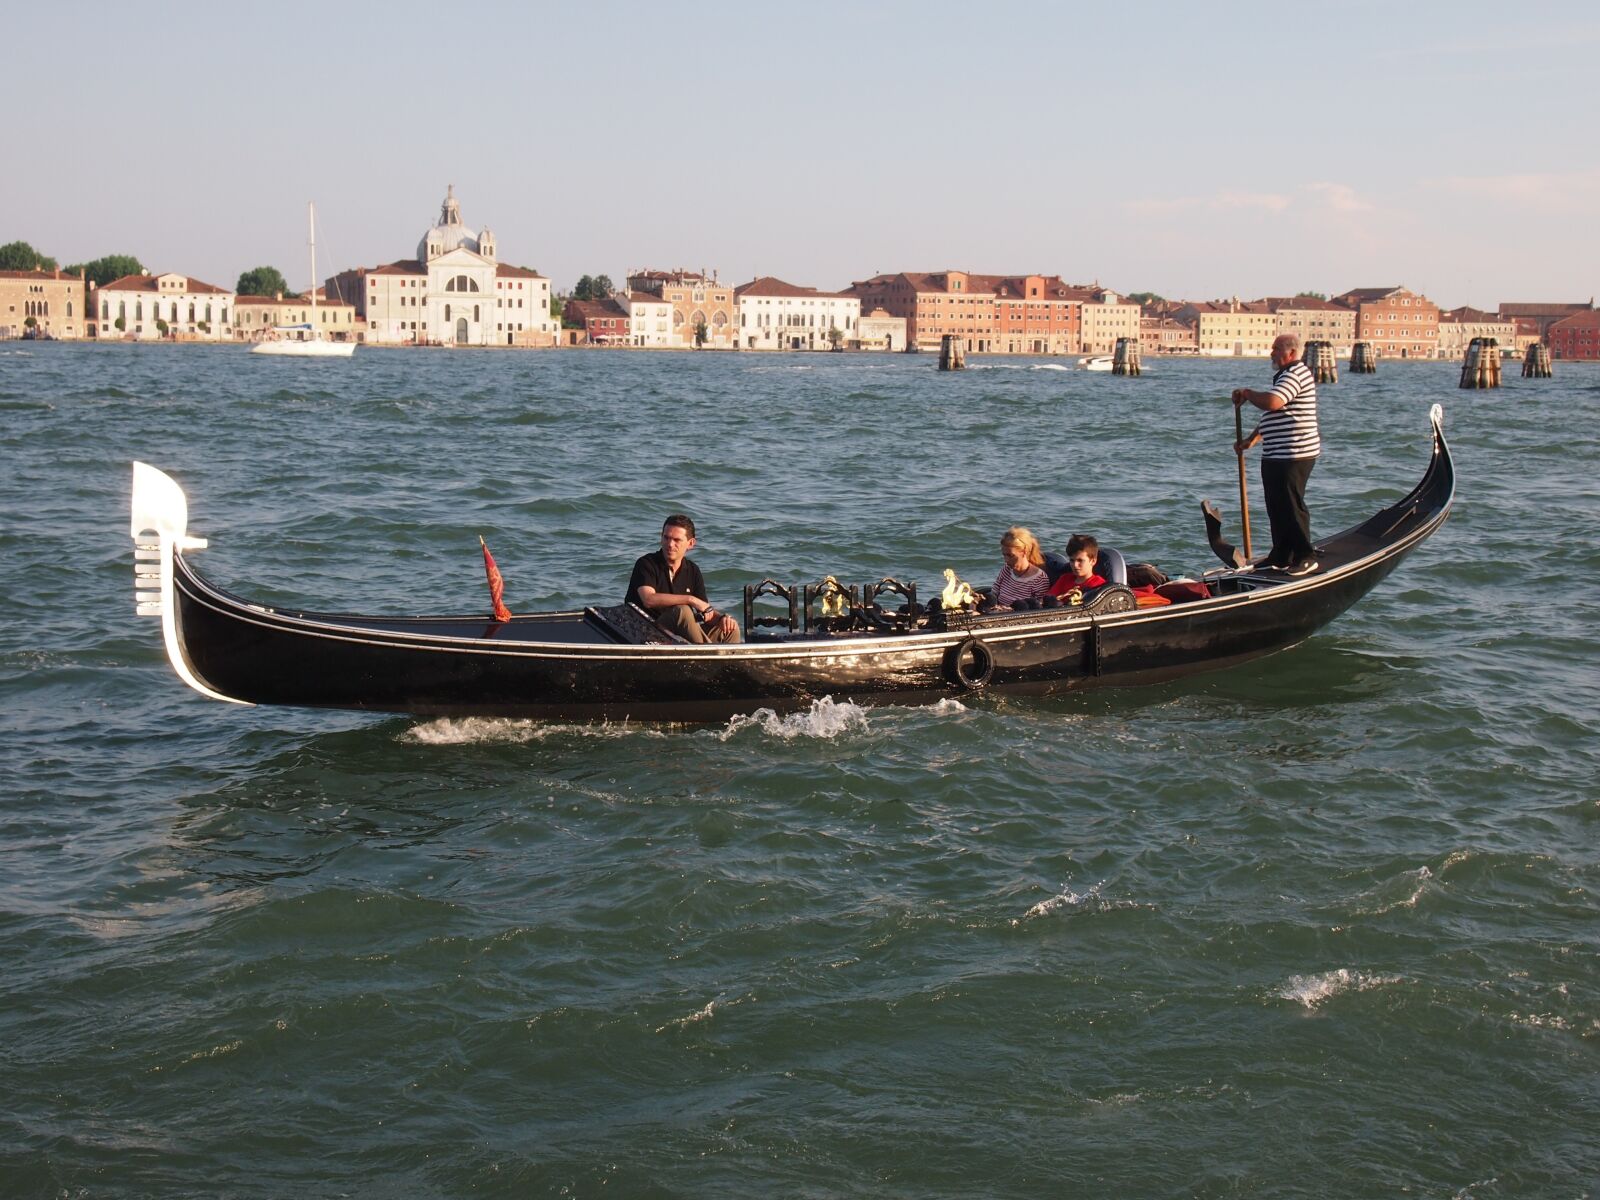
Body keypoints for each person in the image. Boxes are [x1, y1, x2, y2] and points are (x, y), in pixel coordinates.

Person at [1233, 333, 1321, 576]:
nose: (1271, 352)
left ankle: (1305, 554)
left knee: (1291, 504)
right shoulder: (1284, 375)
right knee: (1276, 505)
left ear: (1290, 353)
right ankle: (1282, 554)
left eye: (1276, 348)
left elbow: (1273, 402)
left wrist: (1248, 393)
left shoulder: (1296, 373)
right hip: (1277, 453)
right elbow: (1275, 415)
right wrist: (1251, 440)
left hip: (1295, 453)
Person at [625, 514, 741, 643]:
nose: (670, 544)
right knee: (683, 611)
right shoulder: (646, 563)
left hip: (678, 635)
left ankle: (728, 661)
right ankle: (706, 656)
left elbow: (706, 612)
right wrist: (690, 600)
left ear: (690, 543)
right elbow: (648, 599)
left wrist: (722, 619)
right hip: (645, 631)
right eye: (666, 538)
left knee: (730, 627)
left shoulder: (693, 570)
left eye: (677, 540)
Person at [990, 526, 1050, 609]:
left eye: (1010, 555)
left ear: (1024, 551)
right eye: (1004, 555)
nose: (1006, 560)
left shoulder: (1039, 579)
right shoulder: (1007, 569)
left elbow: (1037, 608)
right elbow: (994, 592)